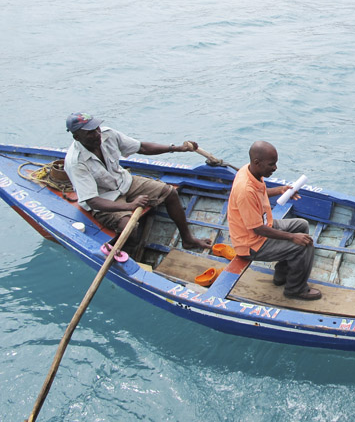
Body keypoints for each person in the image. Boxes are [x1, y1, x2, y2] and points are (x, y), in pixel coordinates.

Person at [63, 112, 212, 250]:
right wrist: (130, 205)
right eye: (90, 133)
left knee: (170, 192)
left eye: (97, 129)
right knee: (130, 227)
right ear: (77, 137)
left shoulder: (108, 134)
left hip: (124, 182)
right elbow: (92, 201)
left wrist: (177, 148)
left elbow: (142, 148)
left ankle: (187, 239)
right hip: (104, 198)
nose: (97, 135)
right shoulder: (76, 162)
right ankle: (128, 254)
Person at [227, 141, 321, 301]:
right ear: (257, 162)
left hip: (264, 225)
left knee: (301, 225)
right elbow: (257, 229)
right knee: (304, 246)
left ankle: (281, 275)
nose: (275, 168)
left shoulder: (250, 172)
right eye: (272, 164)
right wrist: (292, 237)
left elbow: (259, 194)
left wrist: (280, 190)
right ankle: (295, 289)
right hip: (251, 244)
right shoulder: (245, 190)